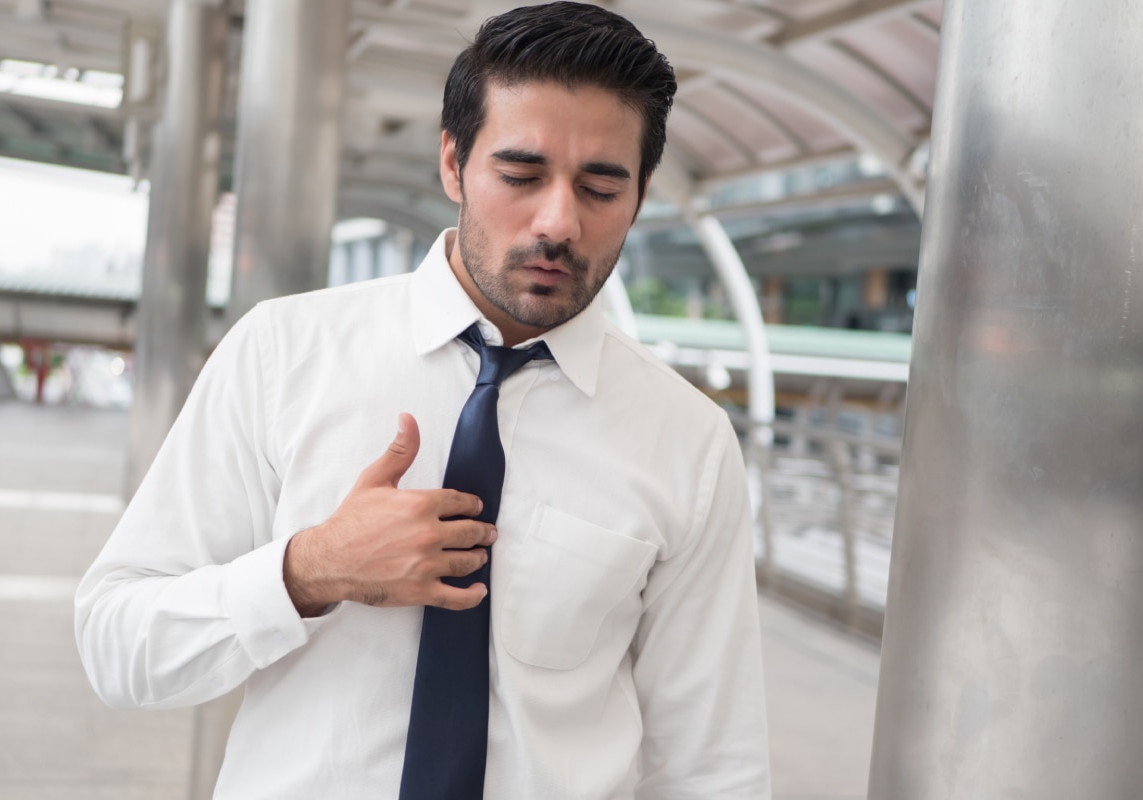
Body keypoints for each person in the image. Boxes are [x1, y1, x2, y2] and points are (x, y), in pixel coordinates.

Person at [75, 3, 771, 797]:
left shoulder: (687, 440)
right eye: (521, 175)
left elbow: (712, 762)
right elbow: (115, 647)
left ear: (642, 194)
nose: (559, 221)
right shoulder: (284, 353)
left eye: (601, 187)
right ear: (453, 163)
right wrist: (308, 571)